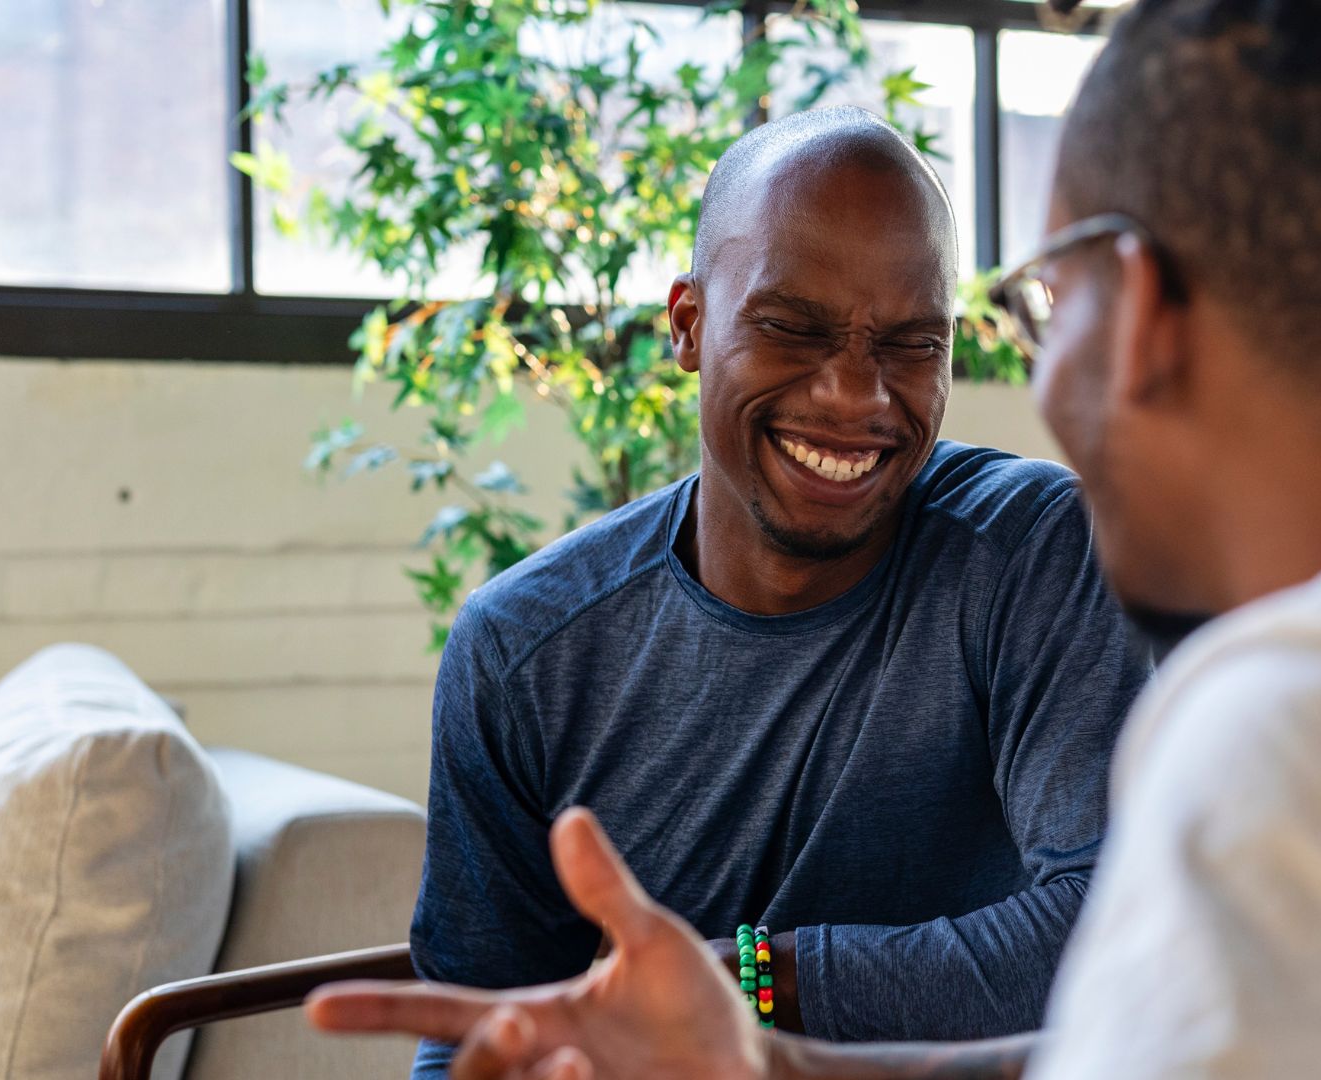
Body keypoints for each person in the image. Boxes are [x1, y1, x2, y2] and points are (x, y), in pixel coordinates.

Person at [312, 0, 1321, 1077]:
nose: (1024, 380)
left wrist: (771, 1002)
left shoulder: (1313, 735)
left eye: (1030, 307)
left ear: (1132, 309)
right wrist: (767, 1052)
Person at [399, 103, 1151, 1076]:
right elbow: (479, 1034)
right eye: (792, 329)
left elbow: (1113, 923)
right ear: (687, 325)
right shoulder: (526, 652)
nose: (855, 395)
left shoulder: (1031, 555)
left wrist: (754, 981)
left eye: (913, 344)